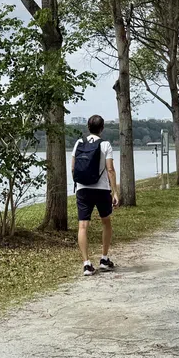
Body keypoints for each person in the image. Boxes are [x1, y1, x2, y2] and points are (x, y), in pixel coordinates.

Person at [71, 114, 119, 276]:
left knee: (83, 226)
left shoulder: (79, 143)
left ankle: (86, 264)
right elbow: (110, 169)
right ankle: (104, 259)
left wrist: (78, 183)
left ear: (88, 128)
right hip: (102, 189)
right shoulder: (105, 144)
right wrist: (115, 191)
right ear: (102, 128)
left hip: (83, 189)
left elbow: (73, 167)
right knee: (106, 222)